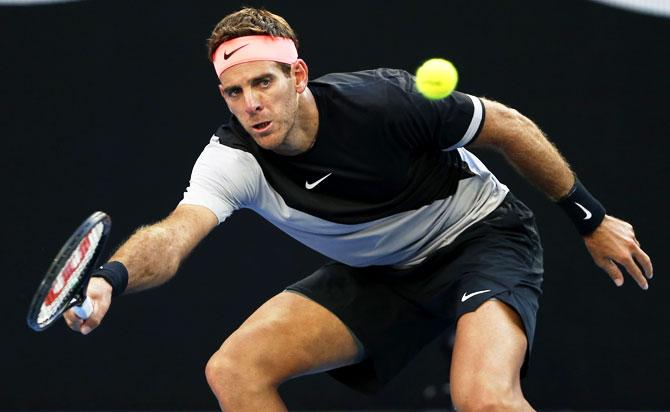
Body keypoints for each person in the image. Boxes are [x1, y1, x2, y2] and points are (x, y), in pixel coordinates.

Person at [64, 7, 653, 411]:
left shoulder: (385, 100)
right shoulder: (233, 158)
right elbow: (173, 235)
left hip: (482, 242)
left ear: (298, 75)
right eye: (234, 92)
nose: (252, 105)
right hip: (379, 275)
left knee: (484, 399)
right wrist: (111, 279)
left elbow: (509, 126)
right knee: (235, 369)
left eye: (264, 83)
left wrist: (591, 217)